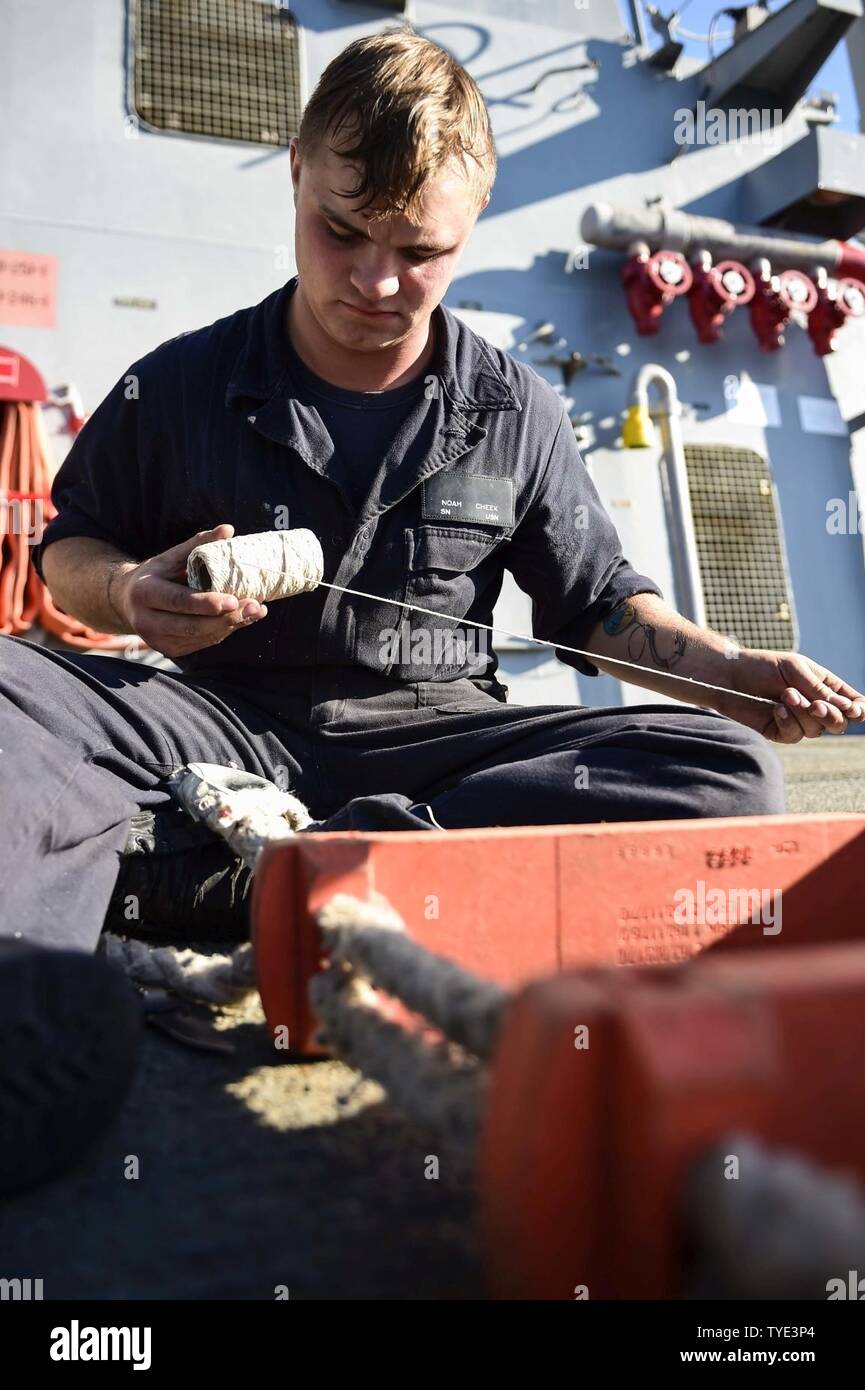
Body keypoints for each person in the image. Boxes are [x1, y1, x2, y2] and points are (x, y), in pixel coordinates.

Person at [3, 28, 863, 963]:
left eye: (419, 250)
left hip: (443, 745)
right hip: (216, 726)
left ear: (474, 213)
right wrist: (127, 591)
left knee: (724, 772)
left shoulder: (516, 410)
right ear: (295, 173)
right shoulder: (178, 382)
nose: (375, 281)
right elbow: (71, 547)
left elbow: (597, 608)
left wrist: (734, 672)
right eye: (340, 231)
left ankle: (234, 879)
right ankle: (355, 890)